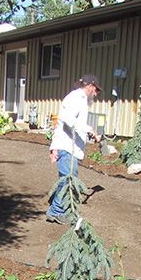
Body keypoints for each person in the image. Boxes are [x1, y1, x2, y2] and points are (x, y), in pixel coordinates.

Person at [46, 74, 101, 223]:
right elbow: (68, 120)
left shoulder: (80, 99)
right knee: (67, 180)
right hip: (67, 147)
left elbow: (72, 124)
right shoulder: (77, 98)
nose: (96, 95)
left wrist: (88, 134)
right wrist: (90, 129)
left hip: (70, 146)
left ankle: (59, 210)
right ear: (90, 86)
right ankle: (56, 211)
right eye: (96, 90)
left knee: (68, 179)